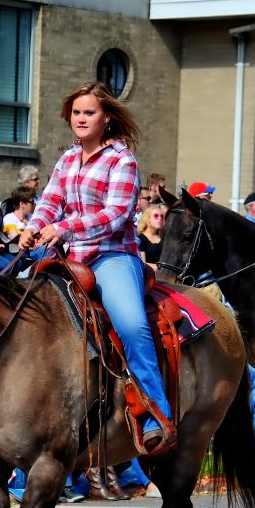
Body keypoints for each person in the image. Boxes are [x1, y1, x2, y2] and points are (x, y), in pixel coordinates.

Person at [19, 82, 173, 453]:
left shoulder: (122, 160)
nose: (81, 118)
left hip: (112, 256)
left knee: (132, 324)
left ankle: (157, 412)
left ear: (107, 118)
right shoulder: (67, 159)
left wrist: (63, 227)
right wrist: (33, 229)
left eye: (89, 112)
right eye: (76, 112)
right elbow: (50, 202)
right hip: (69, 259)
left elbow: (118, 214)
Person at [137, 204, 166, 269]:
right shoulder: (141, 239)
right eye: (156, 216)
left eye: (161, 216)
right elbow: (142, 264)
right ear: (147, 219)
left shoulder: (164, 238)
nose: (160, 218)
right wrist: (161, 268)